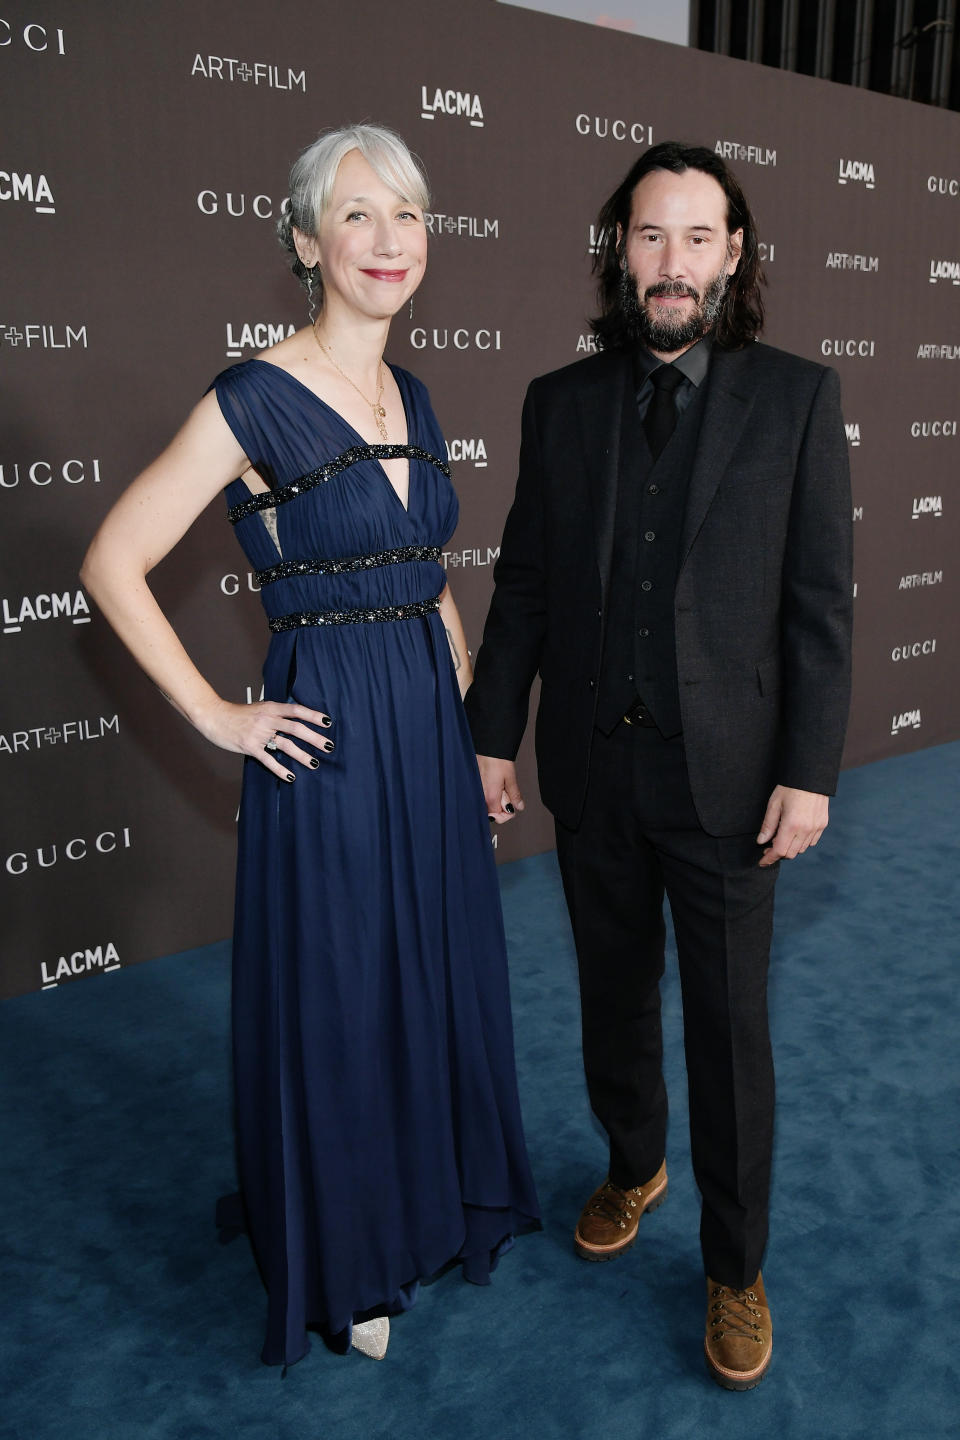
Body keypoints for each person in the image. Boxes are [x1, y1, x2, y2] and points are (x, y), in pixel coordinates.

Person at [81, 123, 539, 1369]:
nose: (389, 241)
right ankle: (347, 1251)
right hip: (328, 730)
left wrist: (472, 732)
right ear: (303, 241)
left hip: (424, 729)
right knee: (345, 993)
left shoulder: (417, 392)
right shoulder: (253, 396)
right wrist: (216, 715)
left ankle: (432, 1202)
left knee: (430, 971)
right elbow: (111, 562)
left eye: (408, 215)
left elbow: (426, 576)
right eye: (356, 215)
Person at [464, 141, 852, 1391]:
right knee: (613, 996)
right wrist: (486, 731)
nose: (671, 263)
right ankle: (635, 1163)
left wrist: (809, 769)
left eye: (697, 238)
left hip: (733, 784)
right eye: (649, 237)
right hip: (595, 772)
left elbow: (818, 607)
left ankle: (735, 1270)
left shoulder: (797, 398)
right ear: (617, 252)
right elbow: (522, 584)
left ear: (734, 254)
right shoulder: (557, 402)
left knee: (732, 1034)